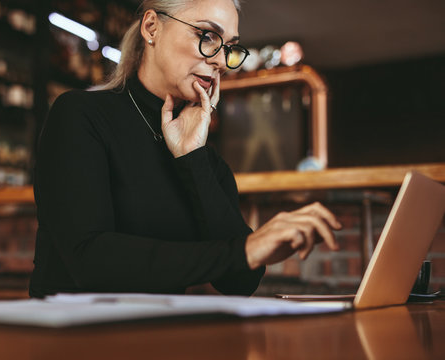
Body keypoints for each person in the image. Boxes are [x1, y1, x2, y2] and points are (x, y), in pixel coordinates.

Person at [29, 0, 341, 298]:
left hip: (162, 340)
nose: (220, 60)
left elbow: (240, 280)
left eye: (229, 46)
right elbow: (89, 259)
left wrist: (192, 158)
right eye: (207, 36)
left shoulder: (203, 156)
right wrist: (242, 250)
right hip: (74, 340)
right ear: (152, 27)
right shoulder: (80, 115)